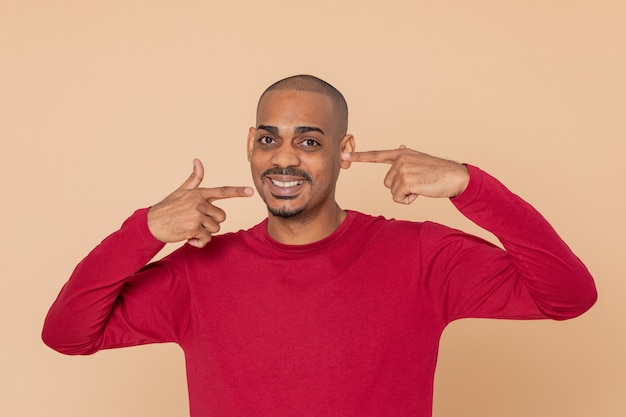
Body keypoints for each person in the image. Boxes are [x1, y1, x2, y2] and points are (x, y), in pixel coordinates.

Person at [42, 74, 597, 417]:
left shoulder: (421, 256)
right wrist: (143, 232)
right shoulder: (200, 270)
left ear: (344, 150)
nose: (284, 159)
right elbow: (67, 335)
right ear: (251, 147)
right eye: (269, 139)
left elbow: (568, 297)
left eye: (309, 141)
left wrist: (472, 187)